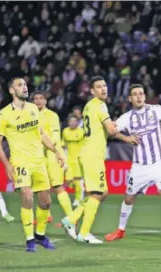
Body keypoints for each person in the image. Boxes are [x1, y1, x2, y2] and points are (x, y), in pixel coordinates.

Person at [104, 84, 161, 244]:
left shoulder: (157, 110)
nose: (139, 97)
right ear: (130, 99)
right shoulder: (127, 117)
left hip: (159, 163)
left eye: (141, 93)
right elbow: (111, 130)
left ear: (145, 96)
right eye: (135, 94)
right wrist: (126, 138)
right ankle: (120, 230)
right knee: (129, 198)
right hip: (139, 166)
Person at [0, 77, 65, 252]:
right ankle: (29, 240)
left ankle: (40, 236)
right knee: (27, 195)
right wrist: (6, 165)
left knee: (46, 202)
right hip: (20, 161)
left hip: (38, 161)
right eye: (20, 85)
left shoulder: (34, 109)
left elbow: (41, 133)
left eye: (25, 84)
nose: (24, 87)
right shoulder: (4, 115)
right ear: (12, 91)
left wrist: (56, 151)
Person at [60, 76, 118, 244]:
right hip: (92, 154)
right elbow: (111, 131)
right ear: (92, 91)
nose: (103, 89)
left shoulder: (88, 106)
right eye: (99, 87)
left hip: (90, 153)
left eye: (105, 85)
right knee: (98, 193)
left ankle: (71, 218)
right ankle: (84, 233)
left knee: (102, 192)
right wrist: (119, 125)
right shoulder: (100, 105)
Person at [33, 92, 70, 224]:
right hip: (39, 155)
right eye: (35, 99)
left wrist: (49, 148)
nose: (38, 101)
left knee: (58, 186)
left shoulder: (52, 116)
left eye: (41, 98)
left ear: (45, 101)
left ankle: (71, 218)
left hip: (53, 154)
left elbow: (54, 138)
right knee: (40, 186)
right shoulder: (31, 116)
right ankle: (46, 215)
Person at [62, 116, 85, 207]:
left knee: (77, 180)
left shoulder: (81, 132)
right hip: (68, 159)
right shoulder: (65, 131)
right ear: (68, 122)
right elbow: (63, 142)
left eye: (74, 121)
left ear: (77, 122)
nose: (72, 123)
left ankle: (78, 198)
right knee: (68, 180)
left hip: (78, 159)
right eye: (71, 121)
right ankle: (80, 189)